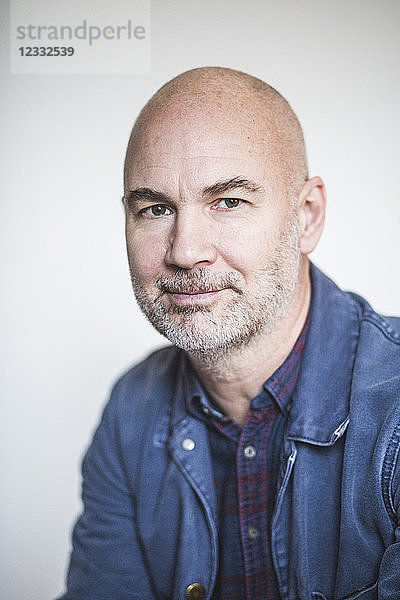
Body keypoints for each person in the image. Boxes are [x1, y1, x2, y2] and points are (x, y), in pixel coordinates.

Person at [58, 67, 400, 600]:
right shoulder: (131, 412)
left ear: (307, 216)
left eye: (228, 201)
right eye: (155, 209)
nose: (184, 250)